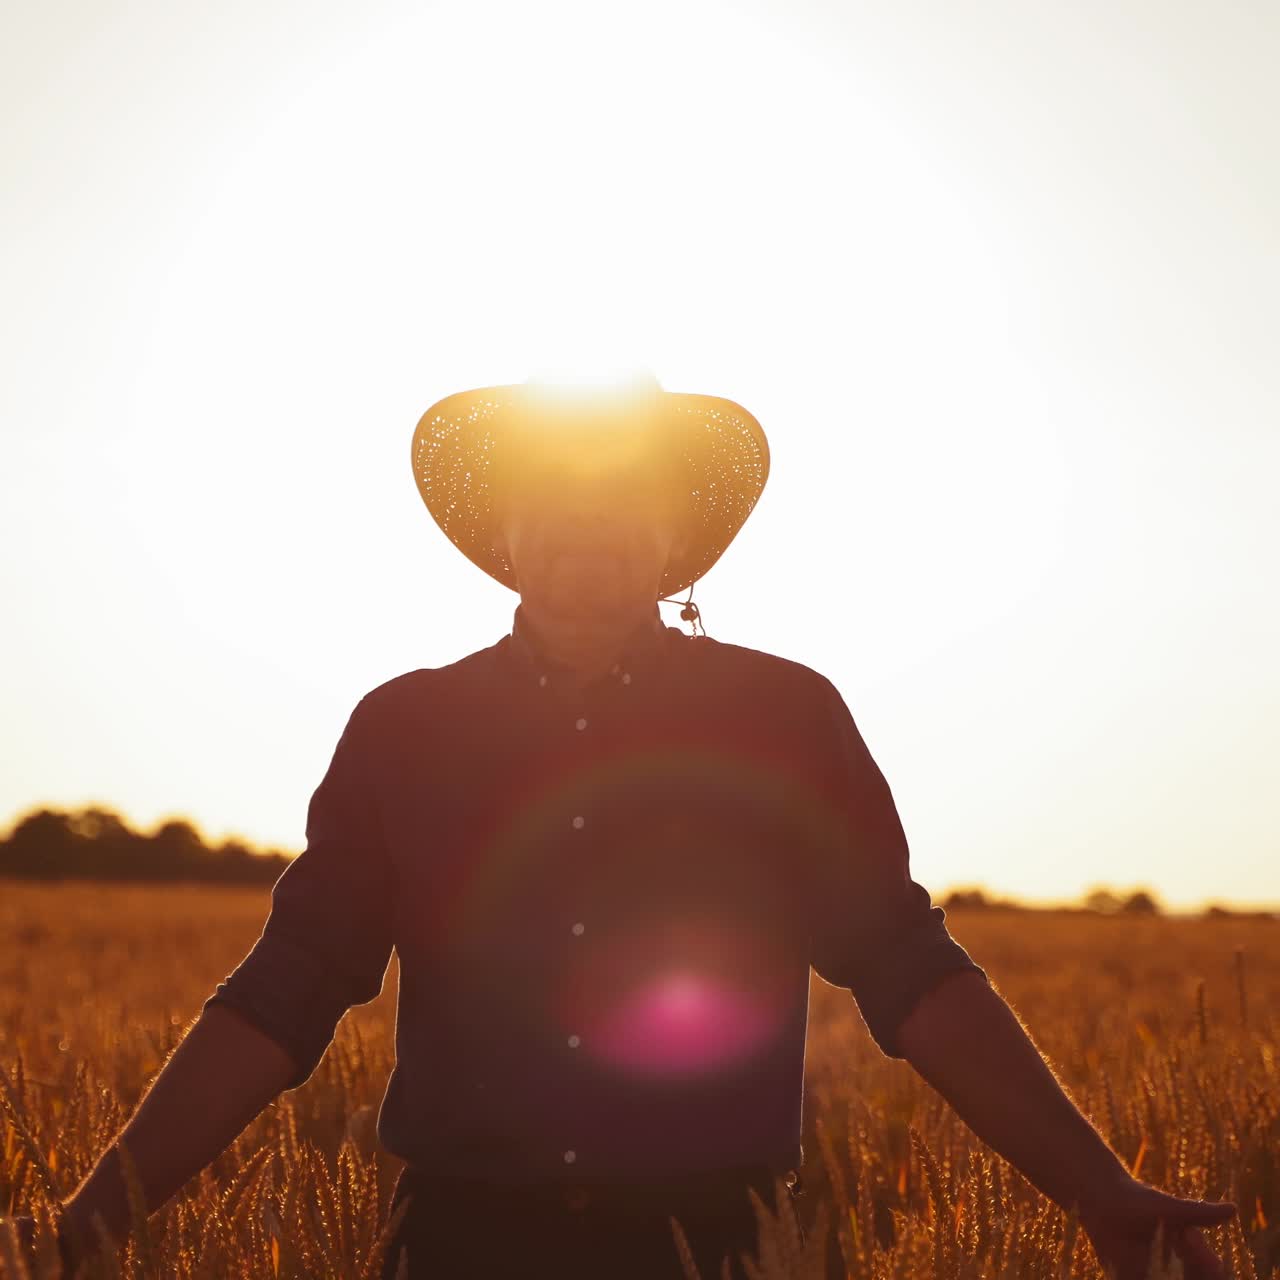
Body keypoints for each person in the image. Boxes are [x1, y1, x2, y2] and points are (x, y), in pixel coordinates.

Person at [3, 370, 1236, 1279]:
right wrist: (95, 1211)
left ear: (673, 534)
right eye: (554, 492)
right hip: (454, 1244)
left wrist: (1095, 1188)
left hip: (720, 1244)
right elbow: (286, 989)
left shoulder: (782, 716)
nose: (588, 520)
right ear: (505, 532)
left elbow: (906, 966)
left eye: (624, 494)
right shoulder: (404, 727)